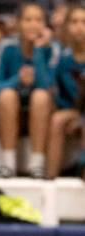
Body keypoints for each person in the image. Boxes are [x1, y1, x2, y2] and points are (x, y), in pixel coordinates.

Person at [0, 2, 59, 179]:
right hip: (9, 109)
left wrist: (37, 50)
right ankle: (7, 164)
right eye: (28, 19)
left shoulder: (52, 49)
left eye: (38, 20)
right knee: (6, 95)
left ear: (45, 24)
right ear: (19, 23)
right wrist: (17, 81)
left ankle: (36, 164)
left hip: (41, 110)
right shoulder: (7, 47)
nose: (33, 24)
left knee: (40, 96)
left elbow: (47, 86)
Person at [46, 3, 85, 179]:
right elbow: (58, 94)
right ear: (67, 27)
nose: (79, 27)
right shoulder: (63, 58)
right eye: (74, 22)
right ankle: (49, 179)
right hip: (73, 109)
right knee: (57, 119)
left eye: (84, 22)